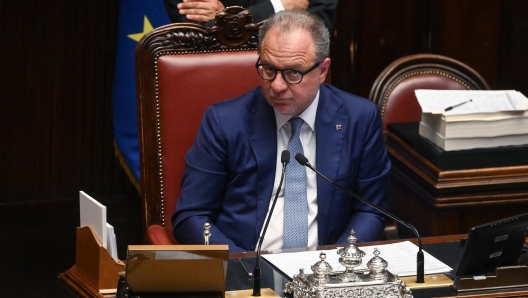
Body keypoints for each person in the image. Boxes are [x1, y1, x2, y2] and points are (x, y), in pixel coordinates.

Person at [172, 10, 391, 253]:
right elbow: (191, 216)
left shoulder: (360, 118)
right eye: (268, 69)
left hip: (326, 270)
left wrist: (338, 261)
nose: (277, 85)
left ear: (322, 70)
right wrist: (241, 264)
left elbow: (371, 209)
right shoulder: (224, 121)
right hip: (247, 269)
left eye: (293, 72)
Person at [163, 0, 338, 32]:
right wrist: (278, 6)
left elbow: (320, 19)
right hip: (223, 79)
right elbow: (197, 31)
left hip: (294, 73)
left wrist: (228, 16)